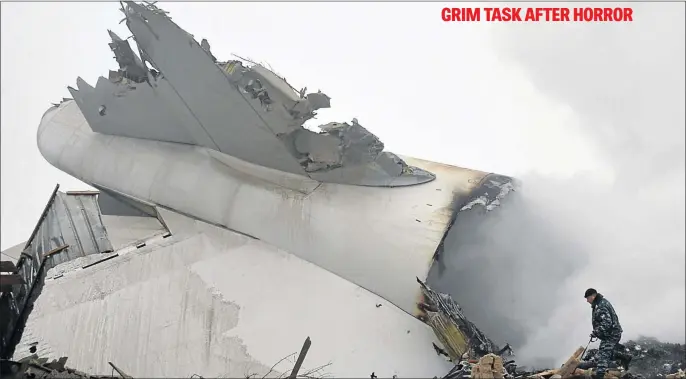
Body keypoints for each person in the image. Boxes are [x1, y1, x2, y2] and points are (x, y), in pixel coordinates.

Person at [584, 288, 632, 378]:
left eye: (588, 298)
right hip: (608, 334)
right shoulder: (599, 303)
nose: (587, 301)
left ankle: (600, 375)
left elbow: (607, 322)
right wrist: (598, 332)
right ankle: (624, 357)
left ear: (593, 296)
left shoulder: (601, 305)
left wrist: (596, 332)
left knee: (603, 355)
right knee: (605, 352)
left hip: (612, 334)